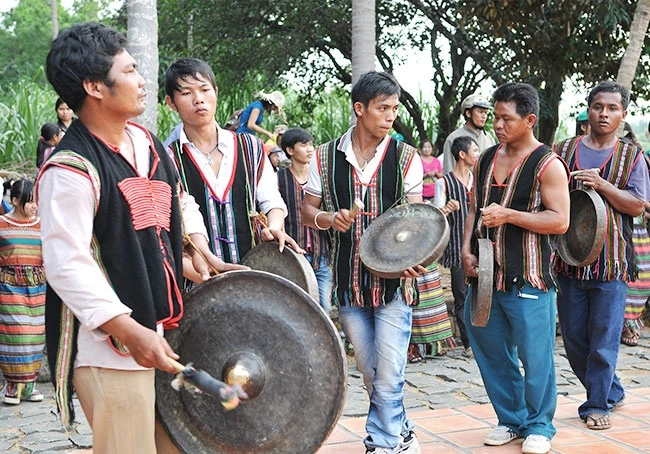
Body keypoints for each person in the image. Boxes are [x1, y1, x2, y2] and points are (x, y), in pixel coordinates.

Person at [39, 22, 235, 452]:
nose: (142, 80)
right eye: (129, 71)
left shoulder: (146, 142)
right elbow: (66, 264)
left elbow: (176, 203)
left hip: (156, 331)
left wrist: (200, 250)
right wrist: (129, 331)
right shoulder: (70, 169)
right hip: (108, 347)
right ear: (94, 86)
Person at [302, 70, 424, 454]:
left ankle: (382, 444)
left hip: (393, 285)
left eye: (394, 108)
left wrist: (412, 258)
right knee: (371, 372)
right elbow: (307, 212)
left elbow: (420, 220)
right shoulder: (323, 157)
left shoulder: (407, 158)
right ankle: (401, 430)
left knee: (389, 373)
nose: (391, 116)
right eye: (382, 108)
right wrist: (329, 219)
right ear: (360, 109)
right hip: (347, 283)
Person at [462, 83, 570, 454]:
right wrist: (465, 250)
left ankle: (540, 425)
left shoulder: (548, 164)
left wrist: (509, 214)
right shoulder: (486, 157)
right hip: (486, 278)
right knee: (491, 351)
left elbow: (560, 221)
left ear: (530, 120)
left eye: (507, 118)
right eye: (495, 117)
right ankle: (511, 419)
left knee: (535, 356)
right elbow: (474, 209)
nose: (498, 124)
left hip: (530, 278)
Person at [554, 81, 650, 431]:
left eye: (612, 108)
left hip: (612, 262)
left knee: (604, 339)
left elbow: (638, 204)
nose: (604, 113)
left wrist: (604, 185)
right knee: (576, 340)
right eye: (598, 107)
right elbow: (547, 195)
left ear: (624, 115)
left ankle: (597, 404)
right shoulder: (563, 150)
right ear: (588, 111)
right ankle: (612, 389)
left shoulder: (632, 156)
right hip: (569, 259)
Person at [164, 58, 300, 273]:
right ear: (171, 103)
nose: (199, 99)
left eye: (205, 89)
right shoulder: (167, 159)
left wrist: (274, 227)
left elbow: (271, 200)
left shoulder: (251, 147)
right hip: (197, 283)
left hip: (254, 278)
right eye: (186, 93)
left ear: (216, 92)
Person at [0, 179, 46, 405]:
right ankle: (12, 386)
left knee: (35, 337)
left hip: (37, 289)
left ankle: (29, 386)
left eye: (35, 201)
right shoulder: (1, 224)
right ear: (15, 201)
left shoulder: (42, 225)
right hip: (9, 288)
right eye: (29, 201)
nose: (34, 206)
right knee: (14, 334)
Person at [433, 135, 480, 358]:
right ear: (462, 155)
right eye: (475, 151)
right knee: (461, 294)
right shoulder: (443, 183)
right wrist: (446, 209)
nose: (478, 155)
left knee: (484, 293)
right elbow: (434, 216)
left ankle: (484, 341)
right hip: (457, 248)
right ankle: (468, 342)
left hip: (481, 247)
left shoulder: (480, 180)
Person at [278, 127, 332, 315]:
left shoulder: (322, 179)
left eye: (311, 145)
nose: (310, 149)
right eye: (303, 145)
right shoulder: (279, 179)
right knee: (295, 308)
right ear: (290, 150)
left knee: (324, 307)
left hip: (321, 253)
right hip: (293, 255)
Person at [408, 263, 456, 362]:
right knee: (416, 307)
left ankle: (436, 346)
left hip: (428, 264)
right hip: (410, 265)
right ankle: (415, 349)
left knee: (434, 304)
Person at [442, 94, 497, 173]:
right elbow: (449, 171)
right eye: (480, 112)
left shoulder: (489, 138)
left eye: (485, 112)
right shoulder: (453, 138)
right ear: (468, 113)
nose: (484, 116)